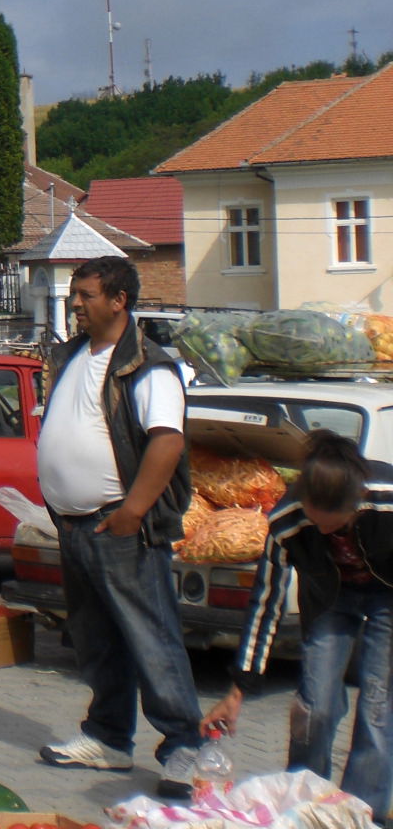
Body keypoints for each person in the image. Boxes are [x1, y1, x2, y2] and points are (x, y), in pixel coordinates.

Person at [34, 255, 202, 798]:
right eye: (76, 295)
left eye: (85, 294)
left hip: (119, 527)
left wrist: (132, 512)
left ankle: (185, 750)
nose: (75, 303)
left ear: (118, 300)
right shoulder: (74, 355)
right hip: (74, 526)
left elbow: (167, 440)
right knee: (95, 638)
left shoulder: (148, 365)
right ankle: (108, 739)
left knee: (151, 638)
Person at [202, 431, 393, 822]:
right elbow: (266, 603)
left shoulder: (386, 501)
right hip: (330, 599)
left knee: (378, 709)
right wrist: (240, 688)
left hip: (389, 596)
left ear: (355, 505)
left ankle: (359, 813)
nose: (325, 534)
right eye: (317, 525)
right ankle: (304, 803)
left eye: (335, 526)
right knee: (315, 707)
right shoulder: (287, 522)